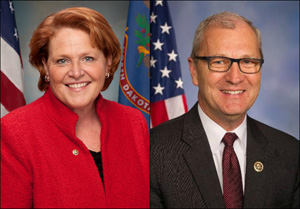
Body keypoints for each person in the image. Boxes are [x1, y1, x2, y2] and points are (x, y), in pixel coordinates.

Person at [1, 7, 149, 208]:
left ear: (107, 61)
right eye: (62, 61)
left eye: (88, 58)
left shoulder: (133, 121)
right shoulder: (14, 131)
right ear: (45, 66)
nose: (76, 72)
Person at [150, 11, 299, 208]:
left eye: (247, 61)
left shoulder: (290, 153)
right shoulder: (152, 151)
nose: (235, 77)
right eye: (219, 61)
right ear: (194, 70)